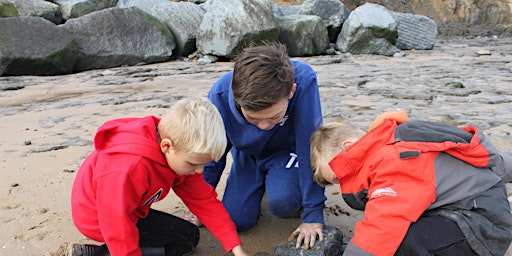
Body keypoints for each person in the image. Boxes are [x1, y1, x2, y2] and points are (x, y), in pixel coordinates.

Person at [309, 110, 512, 256]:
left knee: (400, 242)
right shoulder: (396, 137)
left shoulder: (392, 160)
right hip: (479, 207)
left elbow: (382, 229)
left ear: (349, 148)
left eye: (339, 176)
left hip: (482, 227)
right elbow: (495, 160)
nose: (343, 183)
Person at [186, 42, 327, 249]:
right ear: (237, 100)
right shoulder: (218, 96)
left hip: (287, 152)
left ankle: (282, 184)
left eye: (273, 117)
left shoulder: (304, 80)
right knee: (238, 221)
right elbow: (211, 155)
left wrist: (313, 214)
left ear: (291, 91)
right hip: (247, 154)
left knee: (283, 204)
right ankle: (261, 183)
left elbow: (309, 145)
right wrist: (200, 205)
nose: (263, 126)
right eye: (252, 118)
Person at [67, 97, 249, 256]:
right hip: (97, 217)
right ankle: (96, 253)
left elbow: (203, 200)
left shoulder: (182, 148)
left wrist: (235, 246)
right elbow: (117, 226)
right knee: (167, 243)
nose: (200, 171)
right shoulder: (128, 169)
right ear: (167, 146)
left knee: (189, 237)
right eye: (194, 164)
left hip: (130, 208)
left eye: (204, 164)